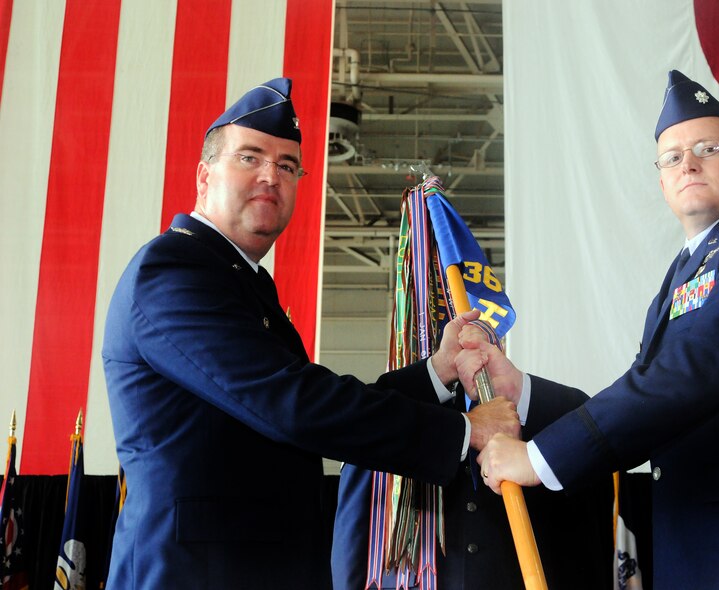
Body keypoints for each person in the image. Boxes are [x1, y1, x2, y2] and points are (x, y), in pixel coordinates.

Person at [465, 70, 719, 589]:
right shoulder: (681, 273)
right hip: (703, 550)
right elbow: (650, 393)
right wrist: (522, 392)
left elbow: (694, 371)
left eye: (708, 148)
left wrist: (540, 457)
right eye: (671, 158)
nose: (687, 163)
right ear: (662, 182)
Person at [101, 78, 519, 590]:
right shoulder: (172, 271)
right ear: (204, 176)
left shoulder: (241, 282)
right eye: (250, 158)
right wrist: (464, 432)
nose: (270, 176)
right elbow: (291, 403)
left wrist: (438, 370)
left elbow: (303, 397)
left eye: (287, 166)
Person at [331, 358, 612, 589]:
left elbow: (589, 434)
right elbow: (353, 542)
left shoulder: (550, 410)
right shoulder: (377, 422)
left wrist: (520, 388)